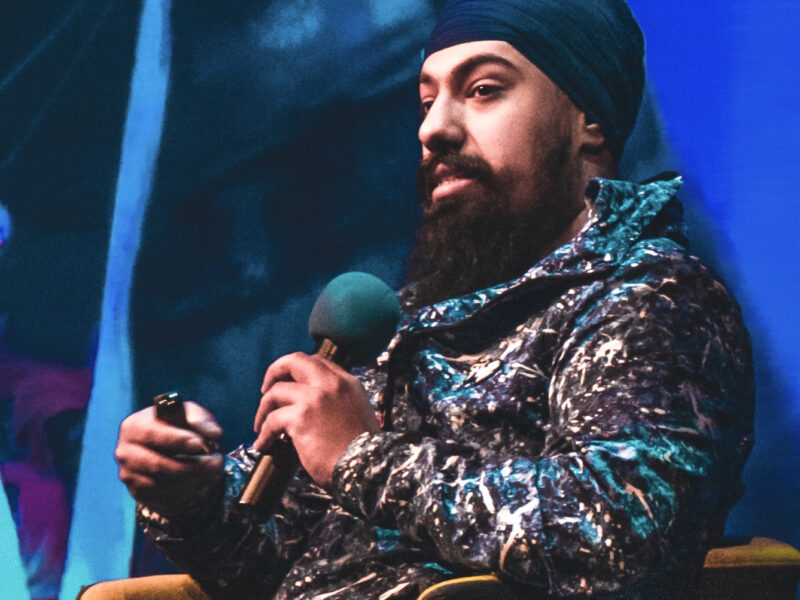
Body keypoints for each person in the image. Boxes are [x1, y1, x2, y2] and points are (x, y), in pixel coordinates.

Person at [111, 0, 754, 598]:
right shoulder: (409, 321)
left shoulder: (650, 298)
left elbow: (613, 535)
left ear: (587, 119)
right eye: (426, 101)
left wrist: (361, 458)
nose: (434, 129)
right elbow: (264, 561)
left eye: (482, 91)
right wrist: (191, 492)